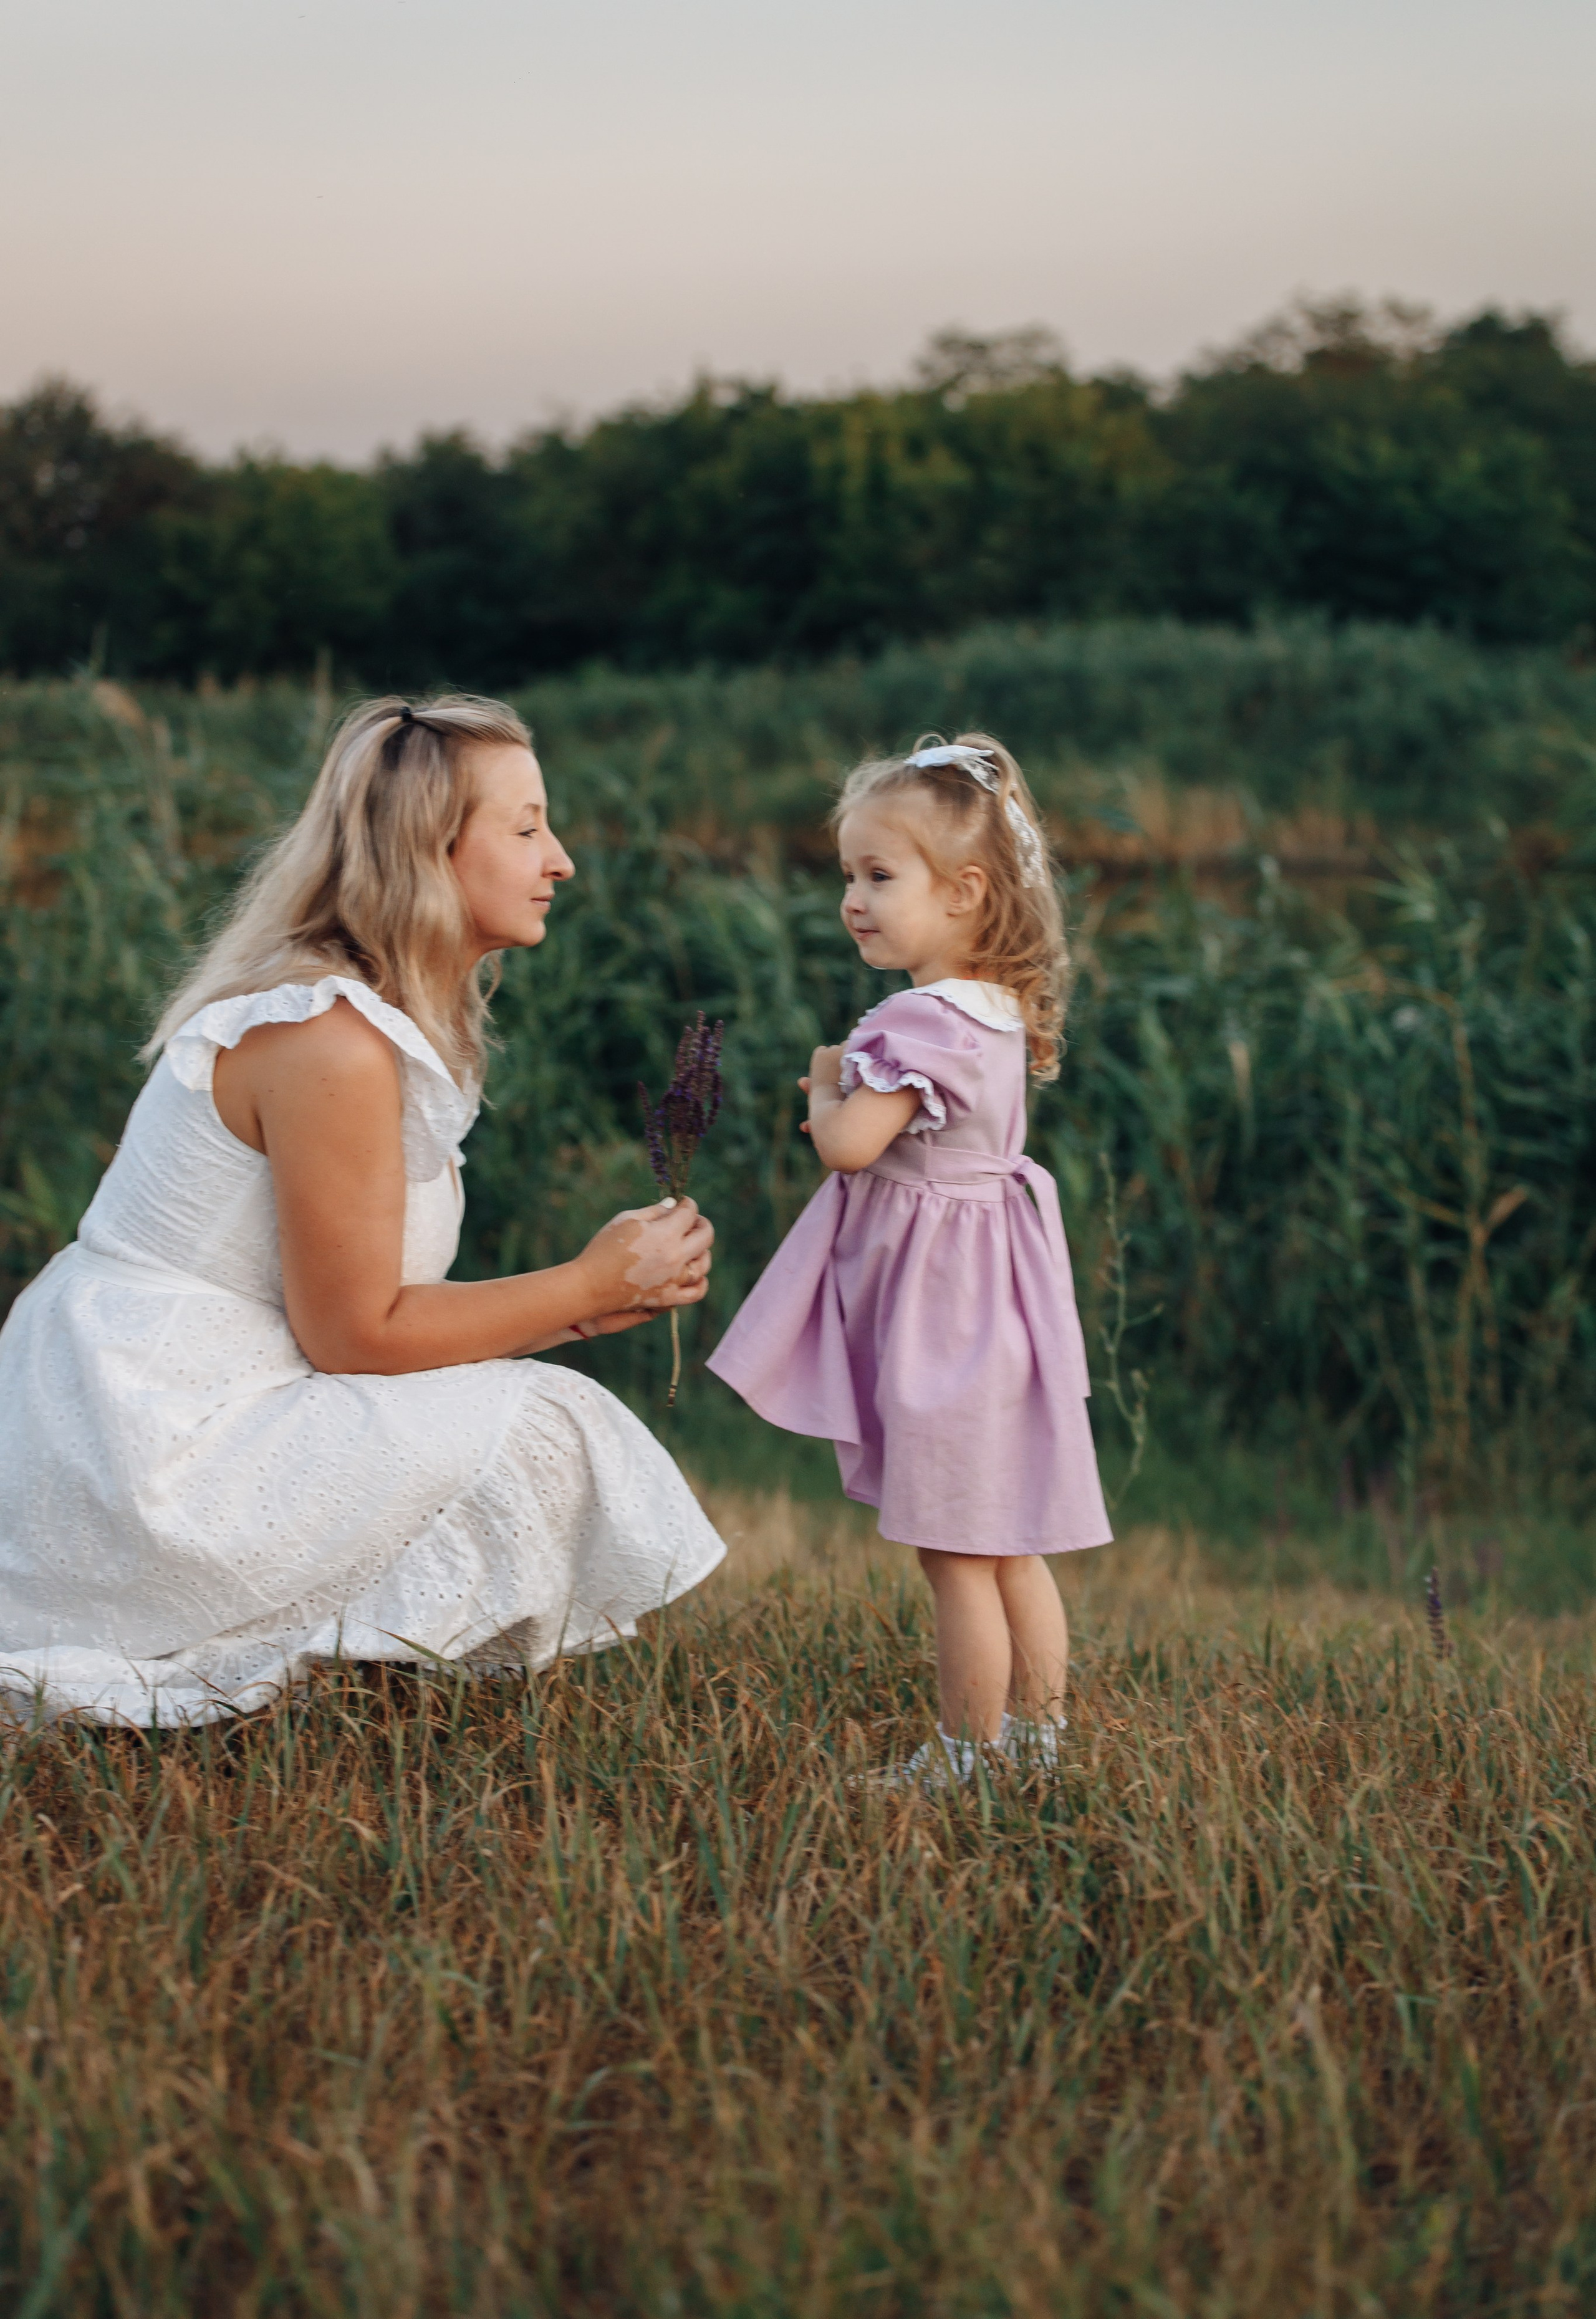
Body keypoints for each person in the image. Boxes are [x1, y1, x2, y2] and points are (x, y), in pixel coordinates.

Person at [0, 695, 725, 1726]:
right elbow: (355, 1333)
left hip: (185, 1404)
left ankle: (347, 1696)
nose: (559, 859)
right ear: (432, 849)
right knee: (545, 1427)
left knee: (508, 1413)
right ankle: (308, 1695)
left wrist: (585, 1306)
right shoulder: (326, 1039)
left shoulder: (361, 1023)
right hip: (150, 1443)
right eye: (525, 828)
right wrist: (580, 1284)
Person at [708, 734, 1110, 1784]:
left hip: (948, 1315)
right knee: (1009, 1539)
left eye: (880, 876)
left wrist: (823, 1087)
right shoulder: (997, 1013)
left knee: (955, 1554)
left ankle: (968, 1754)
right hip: (1000, 1302)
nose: (854, 899)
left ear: (968, 892)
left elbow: (850, 1147)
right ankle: (1039, 1740)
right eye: (848, 875)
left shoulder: (914, 1020)